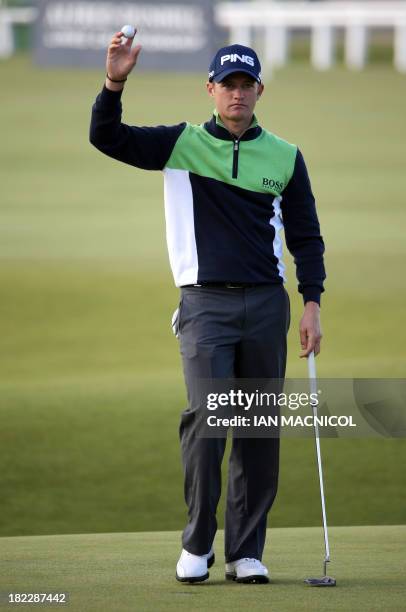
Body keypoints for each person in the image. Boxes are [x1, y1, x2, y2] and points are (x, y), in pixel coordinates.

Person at [90, 32, 325, 585]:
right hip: (204, 307)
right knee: (206, 423)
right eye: (228, 85)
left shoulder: (286, 156)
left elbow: (307, 237)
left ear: (259, 90)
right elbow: (106, 137)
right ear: (211, 90)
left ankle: (246, 553)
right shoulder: (181, 143)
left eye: (246, 85)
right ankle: (197, 544)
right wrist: (115, 81)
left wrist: (312, 301)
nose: (237, 94)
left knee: (257, 429)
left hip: (267, 305)